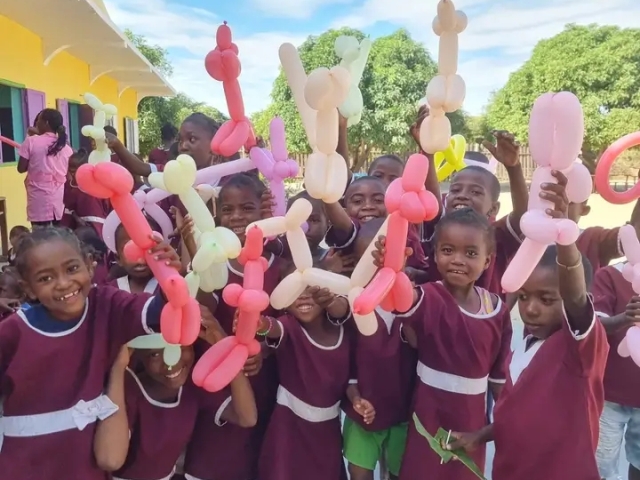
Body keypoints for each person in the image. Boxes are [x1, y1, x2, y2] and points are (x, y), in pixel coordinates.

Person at [447, 171, 608, 480]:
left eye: (546, 299)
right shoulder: (525, 340)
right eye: (523, 297)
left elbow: (575, 298)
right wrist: (479, 436)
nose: (530, 309)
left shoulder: (580, 350)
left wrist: (565, 238)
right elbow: (516, 413)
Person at [0, 226, 181, 479]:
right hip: (25, 468)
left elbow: (160, 311)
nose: (63, 283)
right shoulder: (12, 333)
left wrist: (170, 275)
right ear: (28, 288)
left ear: (89, 265)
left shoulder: (106, 305)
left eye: (72, 268)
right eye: (45, 278)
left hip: (84, 468)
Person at [382, 207, 511, 480]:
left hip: (472, 420)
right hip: (429, 411)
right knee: (423, 470)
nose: (458, 260)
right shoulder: (429, 296)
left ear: (487, 261)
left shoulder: (497, 309)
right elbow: (404, 301)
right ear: (435, 255)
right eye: (448, 250)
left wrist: (495, 429)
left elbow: (499, 379)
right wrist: (394, 269)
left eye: (471, 253)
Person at [181, 173, 284, 480]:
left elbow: (288, 325)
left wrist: (264, 349)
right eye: (228, 210)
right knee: (219, 448)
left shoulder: (279, 265)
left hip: (262, 375)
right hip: (218, 374)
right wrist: (195, 253)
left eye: (247, 208)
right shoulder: (217, 263)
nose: (236, 216)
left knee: (257, 446)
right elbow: (204, 308)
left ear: (264, 211)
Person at [93, 313, 258, 480]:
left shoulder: (193, 385)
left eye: (180, 347)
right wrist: (119, 366)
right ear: (136, 354)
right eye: (155, 354)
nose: (171, 363)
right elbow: (110, 460)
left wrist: (224, 348)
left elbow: (247, 417)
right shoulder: (129, 388)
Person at [342, 218, 417, 480]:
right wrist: (355, 398)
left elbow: (418, 344)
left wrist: (404, 299)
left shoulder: (415, 302)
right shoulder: (354, 306)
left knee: (398, 471)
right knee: (359, 472)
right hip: (362, 411)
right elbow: (347, 365)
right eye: (369, 263)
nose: (378, 271)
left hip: (403, 412)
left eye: (386, 261)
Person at [257, 283, 355, 480]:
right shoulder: (289, 325)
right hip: (288, 428)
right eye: (294, 292)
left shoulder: (344, 330)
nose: (302, 297)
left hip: (327, 431)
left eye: (310, 290)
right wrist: (261, 324)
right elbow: (273, 328)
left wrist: (357, 398)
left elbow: (352, 375)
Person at [323, 176, 429, 282]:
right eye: (357, 201)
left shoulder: (406, 232)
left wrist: (409, 272)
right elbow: (344, 226)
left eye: (378, 200)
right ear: (345, 210)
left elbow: (426, 273)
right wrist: (326, 196)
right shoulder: (350, 229)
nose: (368, 206)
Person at [592, 262, 640, 480]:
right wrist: (625, 318)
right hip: (608, 396)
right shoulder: (610, 275)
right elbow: (594, 325)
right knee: (600, 467)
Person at [17, 109, 73, 227]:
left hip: (38, 201)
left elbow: (21, 168)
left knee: (40, 234)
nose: (36, 123)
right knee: (57, 234)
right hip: (58, 201)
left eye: (38, 120)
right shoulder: (66, 147)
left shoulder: (31, 141)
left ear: (46, 122)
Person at [62, 148, 110, 236]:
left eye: (75, 170)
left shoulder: (97, 184)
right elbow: (69, 208)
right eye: (70, 170)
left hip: (98, 225)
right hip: (80, 224)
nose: (72, 173)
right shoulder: (70, 185)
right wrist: (76, 218)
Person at [111, 219, 162, 294]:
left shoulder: (167, 284)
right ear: (118, 258)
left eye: (146, 248)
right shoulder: (110, 291)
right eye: (130, 250)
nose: (140, 260)